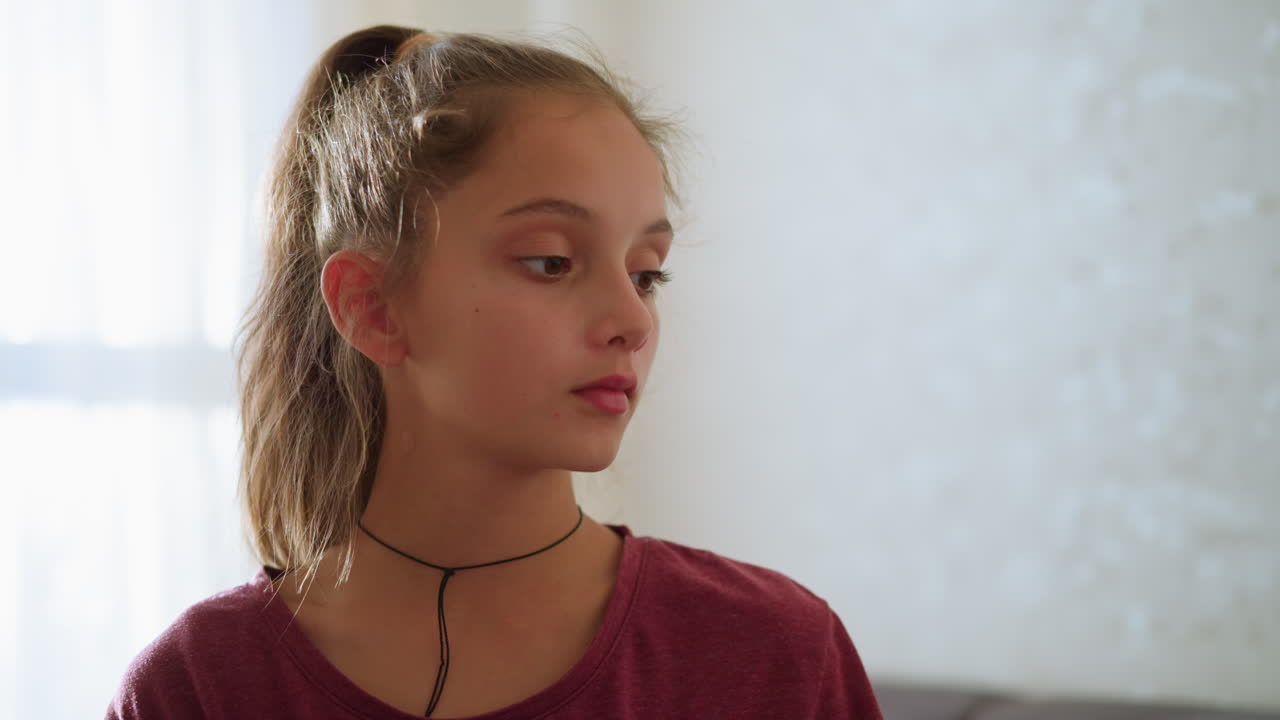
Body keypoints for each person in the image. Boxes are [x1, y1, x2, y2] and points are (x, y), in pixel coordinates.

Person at [105, 24, 884, 719]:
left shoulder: (773, 655)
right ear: (373, 307)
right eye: (551, 261)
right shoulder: (199, 687)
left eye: (647, 273)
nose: (633, 319)